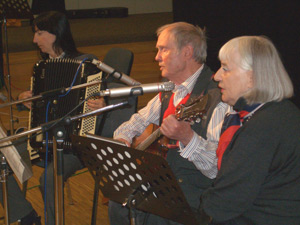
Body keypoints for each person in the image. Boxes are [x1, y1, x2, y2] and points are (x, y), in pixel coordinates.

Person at [18, 11, 136, 225]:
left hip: (74, 146)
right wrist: (23, 97)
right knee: (4, 157)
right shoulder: (42, 68)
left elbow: (109, 101)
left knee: (48, 179)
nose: (35, 40)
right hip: (41, 141)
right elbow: (35, 97)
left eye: (39, 33)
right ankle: (25, 213)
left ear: (55, 34)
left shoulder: (86, 64)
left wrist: (103, 106)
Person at [109, 22, 228, 225]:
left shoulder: (219, 96)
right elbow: (136, 122)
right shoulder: (171, 90)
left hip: (198, 194)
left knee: (155, 217)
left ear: (187, 52)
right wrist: (123, 139)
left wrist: (188, 137)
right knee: (118, 202)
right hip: (166, 183)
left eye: (163, 49)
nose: (156, 57)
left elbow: (217, 169)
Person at [195, 36, 300, 224]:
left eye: (225, 68)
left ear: (251, 78)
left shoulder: (262, 128)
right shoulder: (282, 112)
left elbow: (225, 203)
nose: (216, 75)